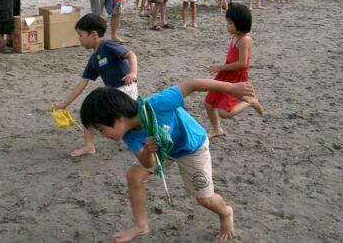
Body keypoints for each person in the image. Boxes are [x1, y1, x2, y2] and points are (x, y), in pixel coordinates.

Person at [80, 79, 256, 243]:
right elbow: (147, 163)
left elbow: (192, 84)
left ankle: (225, 213)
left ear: (119, 118)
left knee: (205, 199)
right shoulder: (128, 134)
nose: (103, 136)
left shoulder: (156, 104)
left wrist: (232, 88)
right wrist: (149, 151)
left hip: (192, 147)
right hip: (164, 150)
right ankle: (141, 225)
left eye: (101, 129)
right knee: (134, 175)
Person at [57, 14, 138, 157]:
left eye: (80, 35)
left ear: (93, 34)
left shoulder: (107, 45)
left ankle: (147, 139)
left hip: (125, 88)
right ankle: (89, 147)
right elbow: (82, 83)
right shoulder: (93, 59)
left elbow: (131, 55)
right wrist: (64, 104)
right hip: (112, 92)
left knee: (131, 118)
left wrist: (132, 73)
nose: (79, 39)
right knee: (88, 112)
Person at [204, 4, 263, 138]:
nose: (227, 26)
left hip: (236, 76)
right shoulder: (235, 36)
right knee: (208, 103)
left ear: (240, 23)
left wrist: (221, 67)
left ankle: (250, 101)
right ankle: (217, 129)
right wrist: (222, 69)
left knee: (225, 112)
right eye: (228, 22)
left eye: (230, 23)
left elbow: (242, 64)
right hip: (225, 73)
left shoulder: (245, 40)